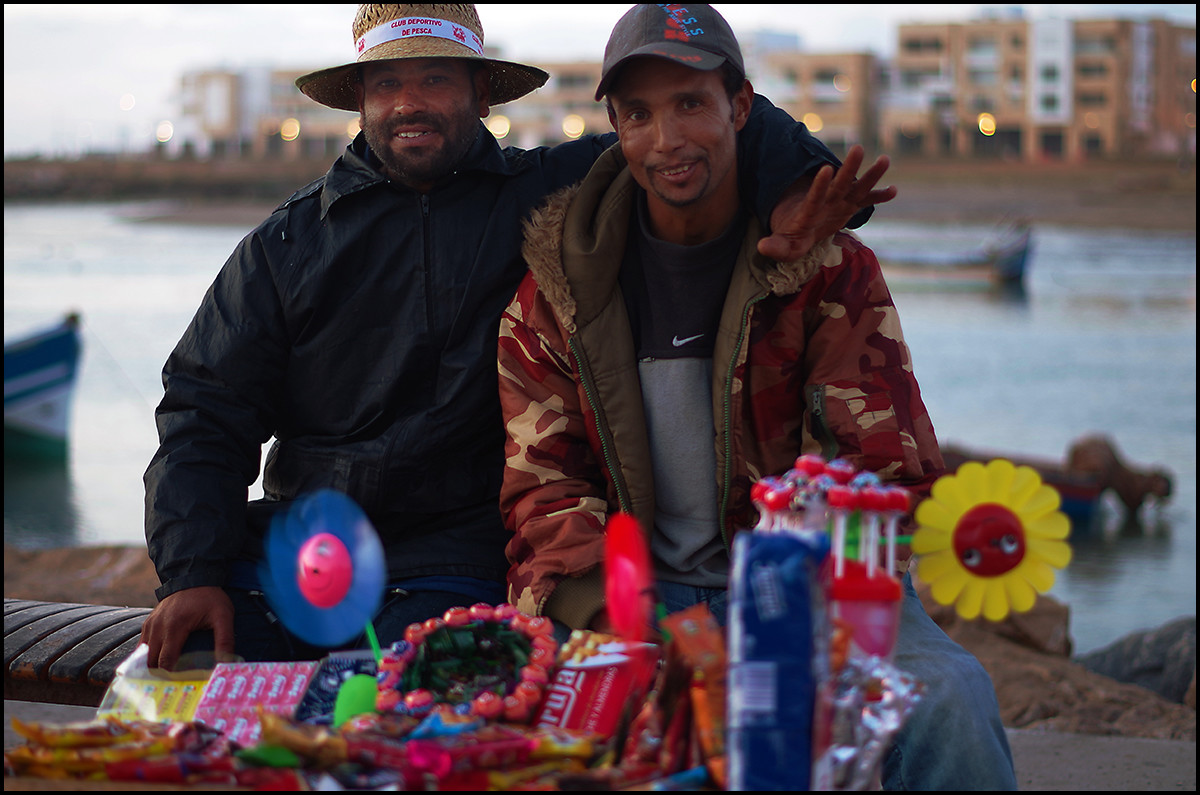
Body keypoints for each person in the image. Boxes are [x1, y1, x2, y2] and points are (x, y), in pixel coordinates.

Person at [139, 4, 892, 673]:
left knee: (419, 716)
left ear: (483, 92)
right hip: (296, 552)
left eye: (435, 80)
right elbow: (205, 409)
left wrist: (800, 186)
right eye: (385, 84)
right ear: (360, 101)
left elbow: (695, 125)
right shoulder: (285, 244)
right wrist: (193, 570)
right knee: (191, 681)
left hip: (453, 562)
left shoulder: (548, 195)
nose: (409, 104)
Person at [498, 4, 1017, 790]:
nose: (667, 139)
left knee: (950, 696)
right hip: (630, 595)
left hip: (813, 585)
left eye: (690, 104)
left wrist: (780, 607)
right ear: (614, 126)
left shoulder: (829, 271)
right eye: (639, 114)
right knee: (565, 729)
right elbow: (545, 491)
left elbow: (886, 467)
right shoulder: (555, 294)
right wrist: (623, 615)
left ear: (739, 107)